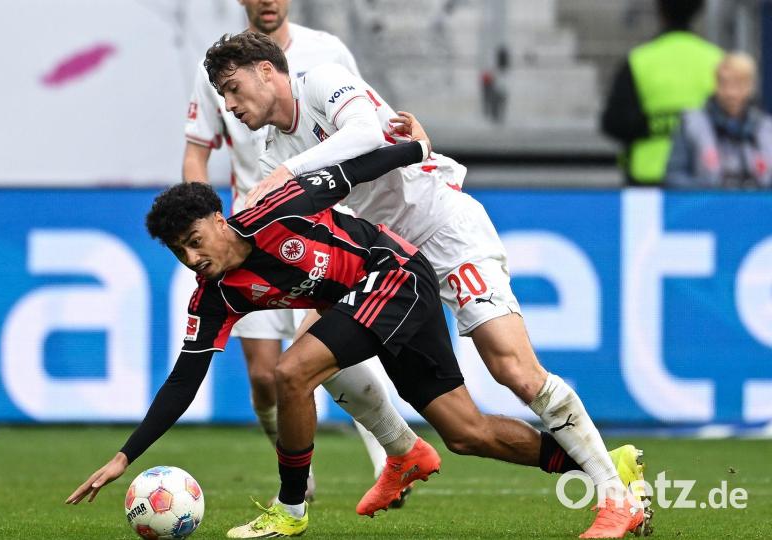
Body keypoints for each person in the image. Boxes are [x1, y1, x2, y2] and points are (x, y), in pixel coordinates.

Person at [65, 141, 644, 539]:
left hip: (396, 275)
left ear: (219, 219)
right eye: (180, 253)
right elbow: (183, 380)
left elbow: (350, 172)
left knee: (291, 373)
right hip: (365, 305)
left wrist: (417, 149)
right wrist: (123, 457)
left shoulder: (276, 210)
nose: (194, 258)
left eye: (195, 240)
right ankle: (604, 471)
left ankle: (290, 511)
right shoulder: (213, 295)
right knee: (467, 433)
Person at [206, 32, 649, 538]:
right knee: (438, 421)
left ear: (267, 70)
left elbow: (367, 135)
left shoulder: (319, 82)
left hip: (443, 230)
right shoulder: (269, 157)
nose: (230, 104)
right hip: (384, 263)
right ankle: (402, 451)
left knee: (513, 369)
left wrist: (291, 171)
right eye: (221, 95)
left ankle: (615, 496)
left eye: (233, 88)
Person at [182, 0, 406, 503]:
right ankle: (298, 471)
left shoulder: (326, 52)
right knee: (264, 378)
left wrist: (410, 142)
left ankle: (387, 459)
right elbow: (198, 150)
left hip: (321, 225)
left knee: (322, 349)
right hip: (250, 238)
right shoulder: (216, 70)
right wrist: (202, 226)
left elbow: (364, 125)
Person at [600, 0, 722, 186]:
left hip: (647, 176)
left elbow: (613, 123)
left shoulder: (639, 60)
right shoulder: (717, 59)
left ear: (660, 9)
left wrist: (652, 125)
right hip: (703, 177)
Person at [665, 52, 772, 189]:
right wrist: (714, 189)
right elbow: (673, 178)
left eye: (738, 84)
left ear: (750, 86)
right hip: (707, 208)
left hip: (757, 209)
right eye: (724, 83)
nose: (730, 92)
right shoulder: (692, 123)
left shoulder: (767, 129)